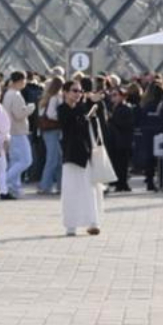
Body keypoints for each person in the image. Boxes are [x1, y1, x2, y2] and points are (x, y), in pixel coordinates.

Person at [58, 83, 103, 236]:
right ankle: (71, 225)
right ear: (65, 92)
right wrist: (87, 104)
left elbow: (94, 125)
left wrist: (93, 107)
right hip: (71, 155)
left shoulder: (83, 107)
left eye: (80, 91)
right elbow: (70, 123)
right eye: (75, 91)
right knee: (71, 190)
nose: (78, 94)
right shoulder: (63, 109)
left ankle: (93, 222)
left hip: (86, 153)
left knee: (90, 190)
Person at [2, 73, 32, 198]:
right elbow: (19, 114)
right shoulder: (16, 95)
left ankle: (14, 186)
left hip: (10, 130)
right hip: (18, 131)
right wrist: (30, 108)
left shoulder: (8, 94)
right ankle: (5, 180)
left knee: (15, 161)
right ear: (19, 81)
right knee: (26, 160)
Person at [37, 77, 65, 195]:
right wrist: (62, 119)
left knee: (57, 159)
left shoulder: (46, 98)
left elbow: (41, 114)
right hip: (53, 130)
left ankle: (60, 186)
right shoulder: (55, 98)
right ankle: (45, 186)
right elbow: (51, 114)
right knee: (53, 159)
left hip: (46, 130)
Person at [107, 87, 136, 192]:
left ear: (122, 96)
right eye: (112, 95)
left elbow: (126, 124)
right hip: (114, 139)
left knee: (122, 163)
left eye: (115, 95)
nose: (112, 97)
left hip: (123, 140)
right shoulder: (111, 107)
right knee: (116, 162)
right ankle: (119, 182)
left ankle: (122, 183)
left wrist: (112, 119)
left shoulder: (125, 108)